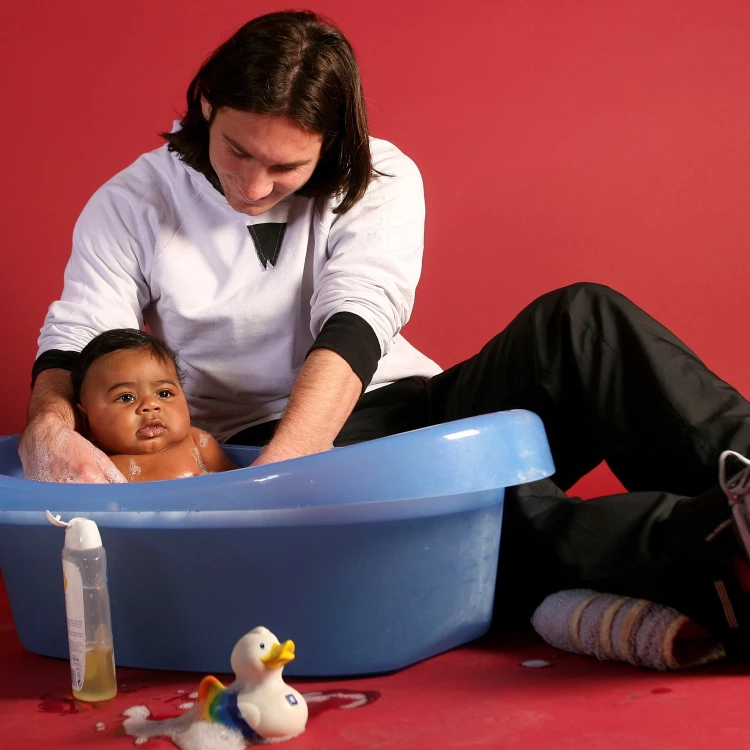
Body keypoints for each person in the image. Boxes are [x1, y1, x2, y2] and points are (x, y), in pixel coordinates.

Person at [18, 10, 750, 659]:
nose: (251, 185)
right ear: (207, 104)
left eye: (285, 167)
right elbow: (83, 337)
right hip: (263, 442)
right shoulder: (131, 201)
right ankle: (716, 553)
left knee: (581, 318)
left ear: (331, 143)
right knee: (492, 510)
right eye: (237, 150)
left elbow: (356, 323)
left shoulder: (383, 175)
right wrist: (48, 428)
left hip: (380, 405)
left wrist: (284, 489)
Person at [72, 329, 237, 482]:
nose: (150, 405)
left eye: (164, 393)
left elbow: (236, 486)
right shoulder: (91, 464)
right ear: (86, 421)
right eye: (126, 397)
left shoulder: (198, 443)